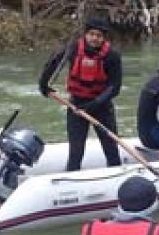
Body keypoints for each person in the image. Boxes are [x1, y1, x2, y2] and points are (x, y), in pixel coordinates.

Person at [38, 16, 124, 171]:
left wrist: (94, 104)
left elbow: (115, 87)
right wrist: (44, 84)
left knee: (111, 148)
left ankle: (116, 173)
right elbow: (53, 62)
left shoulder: (112, 56)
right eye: (91, 34)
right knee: (76, 151)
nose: (94, 38)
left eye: (99, 36)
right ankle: (72, 176)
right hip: (76, 105)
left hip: (102, 107)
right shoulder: (73, 49)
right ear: (86, 34)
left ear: (103, 38)